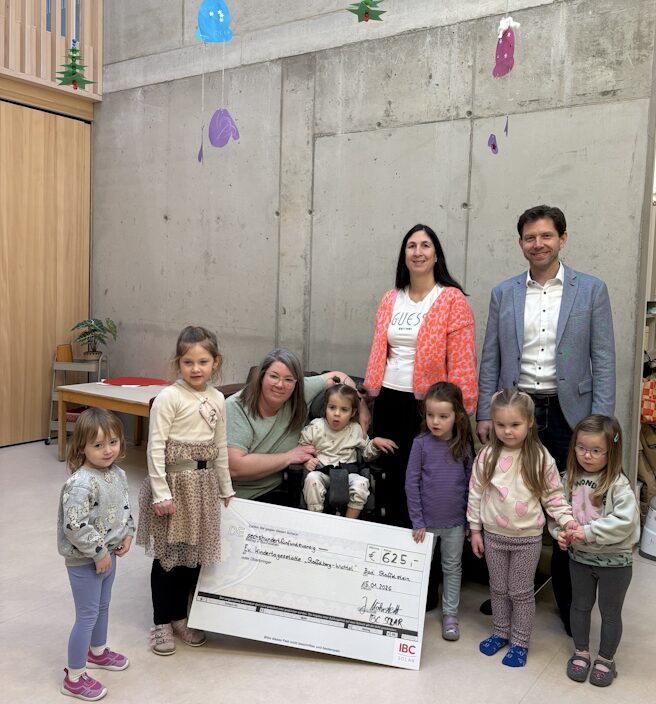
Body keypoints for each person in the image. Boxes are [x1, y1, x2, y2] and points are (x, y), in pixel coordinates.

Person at [476, 204, 615, 633]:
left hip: (571, 414)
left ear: (562, 239)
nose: (538, 244)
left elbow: (604, 359)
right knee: (510, 498)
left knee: (571, 506)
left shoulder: (590, 290)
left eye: (546, 236)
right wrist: (484, 413)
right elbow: (490, 357)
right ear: (521, 243)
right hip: (515, 413)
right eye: (530, 237)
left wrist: (601, 423)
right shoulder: (504, 293)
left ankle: (571, 604)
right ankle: (511, 591)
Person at [365, 224, 477, 528]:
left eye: (425, 245)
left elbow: (463, 361)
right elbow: (379, 350)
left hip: (428, 407)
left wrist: (462, 410)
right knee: (392, 479)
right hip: (388, 400)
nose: (418, 252)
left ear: (436, 255)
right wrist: (368, 396)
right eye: (411, 246)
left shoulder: (451, 299)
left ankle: (427, 553)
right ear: (404, 255)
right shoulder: (391, 298)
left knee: (428, 481)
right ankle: (396, 550)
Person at [136, 325, 235, 656]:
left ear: (215, 362)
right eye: (188, 362)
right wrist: (161, 493)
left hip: (203, 488)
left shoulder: (218, 399)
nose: (195, 369)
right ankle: (161, 622)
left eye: (203, 362)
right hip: (175, 488)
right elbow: (155, 446)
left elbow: (220, 447)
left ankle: (180, 617)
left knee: (193, 557)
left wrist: (225, 488)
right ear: (178, 362)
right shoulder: (169, 397)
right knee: (168, 557)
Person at [467, 389, 577, 668]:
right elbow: (476, 493)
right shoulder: (487, 455)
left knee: (520, 592)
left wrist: (567, 520)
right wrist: (475, 530)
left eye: (515, 424)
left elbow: (553, 496)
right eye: (501, 424)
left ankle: (520, 642)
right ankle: (500, 632)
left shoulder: (540, 457)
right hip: (493, 536)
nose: (508, 431)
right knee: (498, 589)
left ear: (530, 422)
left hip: (527, 539)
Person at [552, 416, 640, 687]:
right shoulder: (569, 479)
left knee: (610, 612)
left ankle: (606, 659)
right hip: (580, 558)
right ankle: (581, 652)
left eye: (596, 450)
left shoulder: (619, 485)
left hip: (615, 562)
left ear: (611, 451)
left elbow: (625, 522)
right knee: (579, 607)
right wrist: (561, 534)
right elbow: (558, 511)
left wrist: (588, 532)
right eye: (581, 448)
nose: (587, 455)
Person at [58, 408, 134, 702]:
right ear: (82, 447)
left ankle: (97, 652)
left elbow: (123, 508)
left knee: (103, 606)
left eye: (113, 442)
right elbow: (74, 526)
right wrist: (99, 552)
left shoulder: (118, 474)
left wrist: (127, 533)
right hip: (85, 560)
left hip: (107, 554)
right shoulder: (80, 483)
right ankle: (74, 677)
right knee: (87, 615)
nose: (107, 450)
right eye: (98, 445)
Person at [226, 348, 368, 502]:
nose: (280, 384)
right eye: (274, 376)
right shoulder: (237, 407)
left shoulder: (300, 391)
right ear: (261, 376)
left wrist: (361, 406)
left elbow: (338, 377)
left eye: (288, 379)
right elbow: (235, 467)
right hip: (237, 496)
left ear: (296, 383)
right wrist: (289, 457)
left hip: (282, 488)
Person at [405, 382, 474, 642]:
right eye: (430, 415)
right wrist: (417, 520)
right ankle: (411, 611)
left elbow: (472, 485)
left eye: (443, 416)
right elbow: (411, 483)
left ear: (457, 416)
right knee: (421, 568)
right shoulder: (420, 444)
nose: (435, 421)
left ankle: (450, 614)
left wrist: (469, 522)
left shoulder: (463, 445)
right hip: (425, 524)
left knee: (452, 568)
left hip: (455, 523)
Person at [300, 383, 397, 518]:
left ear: (353, 412)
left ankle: (349, 522)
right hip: (321, 470)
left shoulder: (356, 429)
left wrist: (374, 444)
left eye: (344, 410)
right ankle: (315, 519)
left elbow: (367, 454)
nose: (337, 414)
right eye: (332, 408)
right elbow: (301, 448)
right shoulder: (315, 426)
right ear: (325, 407)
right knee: (311, 479)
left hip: (348, 473)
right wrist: (307, 460)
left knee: (362, 484)